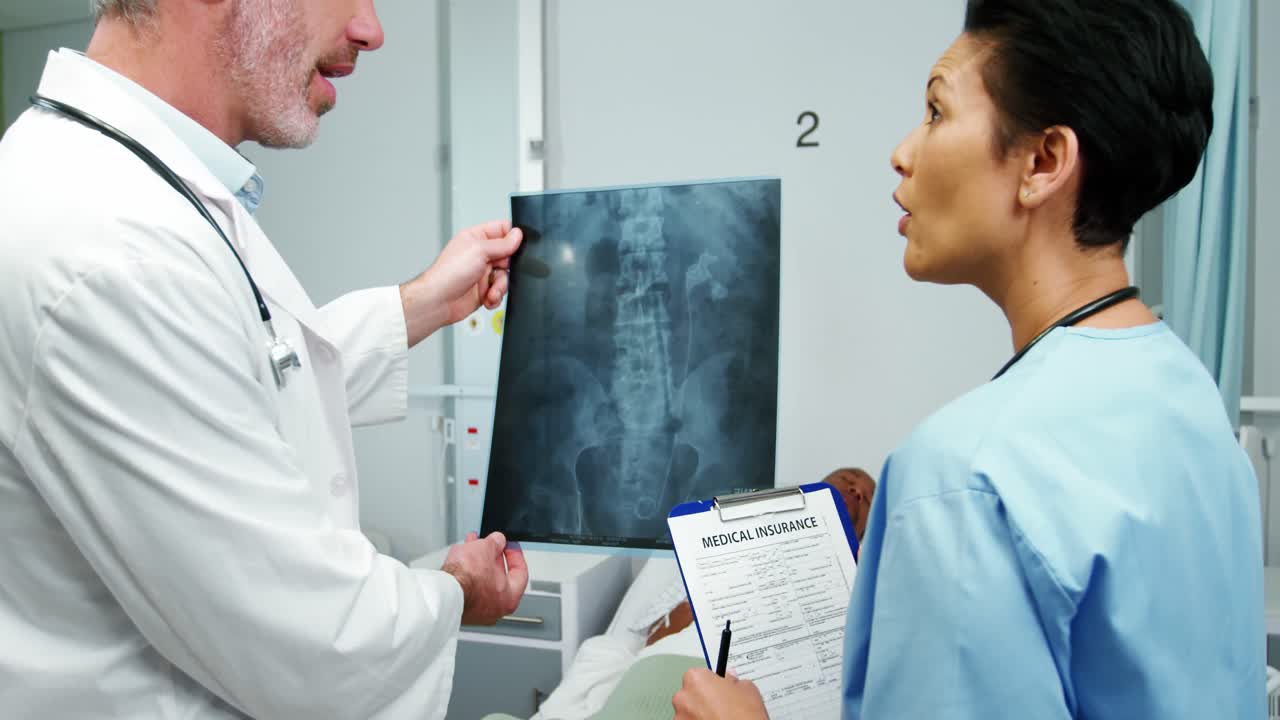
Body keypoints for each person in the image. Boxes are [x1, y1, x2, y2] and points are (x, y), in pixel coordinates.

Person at [673, 0, 1264, 718]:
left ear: (1043, 162)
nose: (902, 152)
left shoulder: (964, 482)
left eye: (936, 111)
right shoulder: (1192, 400)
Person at [0, 1, 528, 718]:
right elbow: (318, 644)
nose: (371, 30)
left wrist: (423, 303)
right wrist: (458, 589)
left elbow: (245, 376)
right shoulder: (109, 248)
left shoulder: (126, 187)